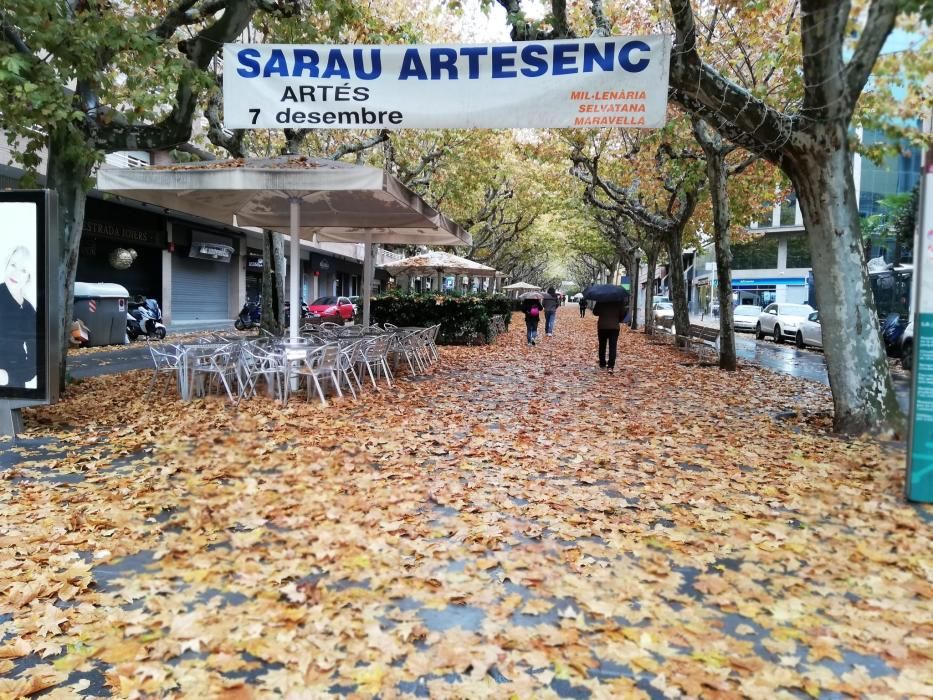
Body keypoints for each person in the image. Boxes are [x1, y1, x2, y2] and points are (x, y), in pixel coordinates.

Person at [0, 246, 37, 388]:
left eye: (23, 270)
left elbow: (34, 362)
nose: (15, 273)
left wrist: (10, 377)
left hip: (15, 385)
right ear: (7, 264)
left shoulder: (29, 310)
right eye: (13, 265)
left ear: (29, 276)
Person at [593, 295, 628, 375]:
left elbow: (595, 312)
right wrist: (618, 319)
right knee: (613, 346)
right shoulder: (619, 301)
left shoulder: (601, 300)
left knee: (602, 345)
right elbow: (623, 313)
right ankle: (610, 366)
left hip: (602, 326)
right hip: (614, 327)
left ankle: (602, 363)